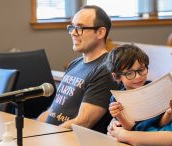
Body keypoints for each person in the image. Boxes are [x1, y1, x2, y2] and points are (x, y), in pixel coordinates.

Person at [37, 5, 118, 133]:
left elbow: (83, 122)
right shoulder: (75, 64)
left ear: (101, 32)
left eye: (80, 27)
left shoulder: (105, 69)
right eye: (72, 27)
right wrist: (33, 130)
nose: (73, 33)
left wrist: (46, 136)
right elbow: (52, 111)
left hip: (69, 143)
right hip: (50, 136)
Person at [108, 44, 172, 132]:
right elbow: (131, 128)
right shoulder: (117, 99)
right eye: (130, 73)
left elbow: (161, 123)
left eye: (141, 70)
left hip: (161, 133)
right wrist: (119, 115)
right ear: (116, 76)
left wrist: (169, 113)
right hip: (135, 136)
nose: (138, 76)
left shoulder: (154, 89)